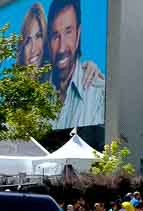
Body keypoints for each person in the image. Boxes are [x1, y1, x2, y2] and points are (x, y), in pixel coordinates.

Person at [46, 0, 104, 130]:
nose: (61, 48)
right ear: (48, 41)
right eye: (55, 36)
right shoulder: (38, 98)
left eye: (68, 32)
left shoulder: (99, 94)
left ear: (78, 34)